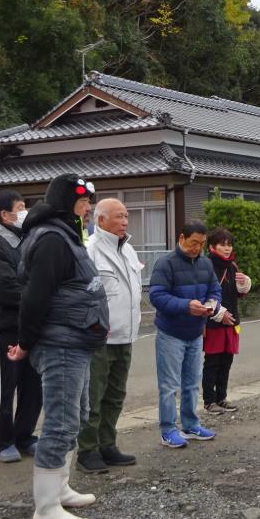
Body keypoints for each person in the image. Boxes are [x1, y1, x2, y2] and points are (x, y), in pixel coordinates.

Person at [7, 174, 108, 519]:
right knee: (61, 422)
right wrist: (26, 342)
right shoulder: (52, 238)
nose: (89, 208)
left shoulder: (64, 234)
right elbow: (35, 297)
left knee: (76, 416)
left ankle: (60, 488)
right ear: (67, 202)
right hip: (61, 342)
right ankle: (46, 508)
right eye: (84, 202)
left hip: (75, 339)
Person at [0, 189, 42, 463]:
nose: (25, 211)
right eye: (20, 207)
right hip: (6, 326)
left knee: (33, 384)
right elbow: (4, 288)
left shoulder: (26, 241)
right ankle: (4, 441)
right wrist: (37, 297)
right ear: (4, 214)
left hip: (31, 324)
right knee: (6, 383)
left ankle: (25, 436)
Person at [75, 198, 143, 473]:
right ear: (101, 220)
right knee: (94, 396)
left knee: (116, 395)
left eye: (126, 216)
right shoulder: (89, 251)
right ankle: (87, 450)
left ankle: (108, 444)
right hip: (99, 337)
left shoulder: (128, 250)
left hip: (126, 334)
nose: (124, 222)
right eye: (118, 217)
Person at [148, 221, 220, 448]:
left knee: (191, 383)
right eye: (193, 243)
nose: (197, 248)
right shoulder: (165, 264)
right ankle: (168, 429)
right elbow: (157, 296)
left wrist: (211, 304)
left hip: (196, 332)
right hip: (171, 332)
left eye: (201, 244)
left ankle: (190, 425)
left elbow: (214, 290)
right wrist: (186, 305)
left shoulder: (206, 264)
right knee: (169, 385)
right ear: (181, 238)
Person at [202, 227, 251, 415]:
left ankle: (221, 398)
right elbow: (203, 294)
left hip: (231, 321)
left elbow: (237, 294)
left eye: (229, 245)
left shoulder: (231, 266)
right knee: (212, 361)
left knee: (226, 361)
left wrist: (244, 285)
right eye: (222, 245)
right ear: (212, 246)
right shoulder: (206, 265)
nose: (227, 248)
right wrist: (218, 313)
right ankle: (209, 400)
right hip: (214, 322)